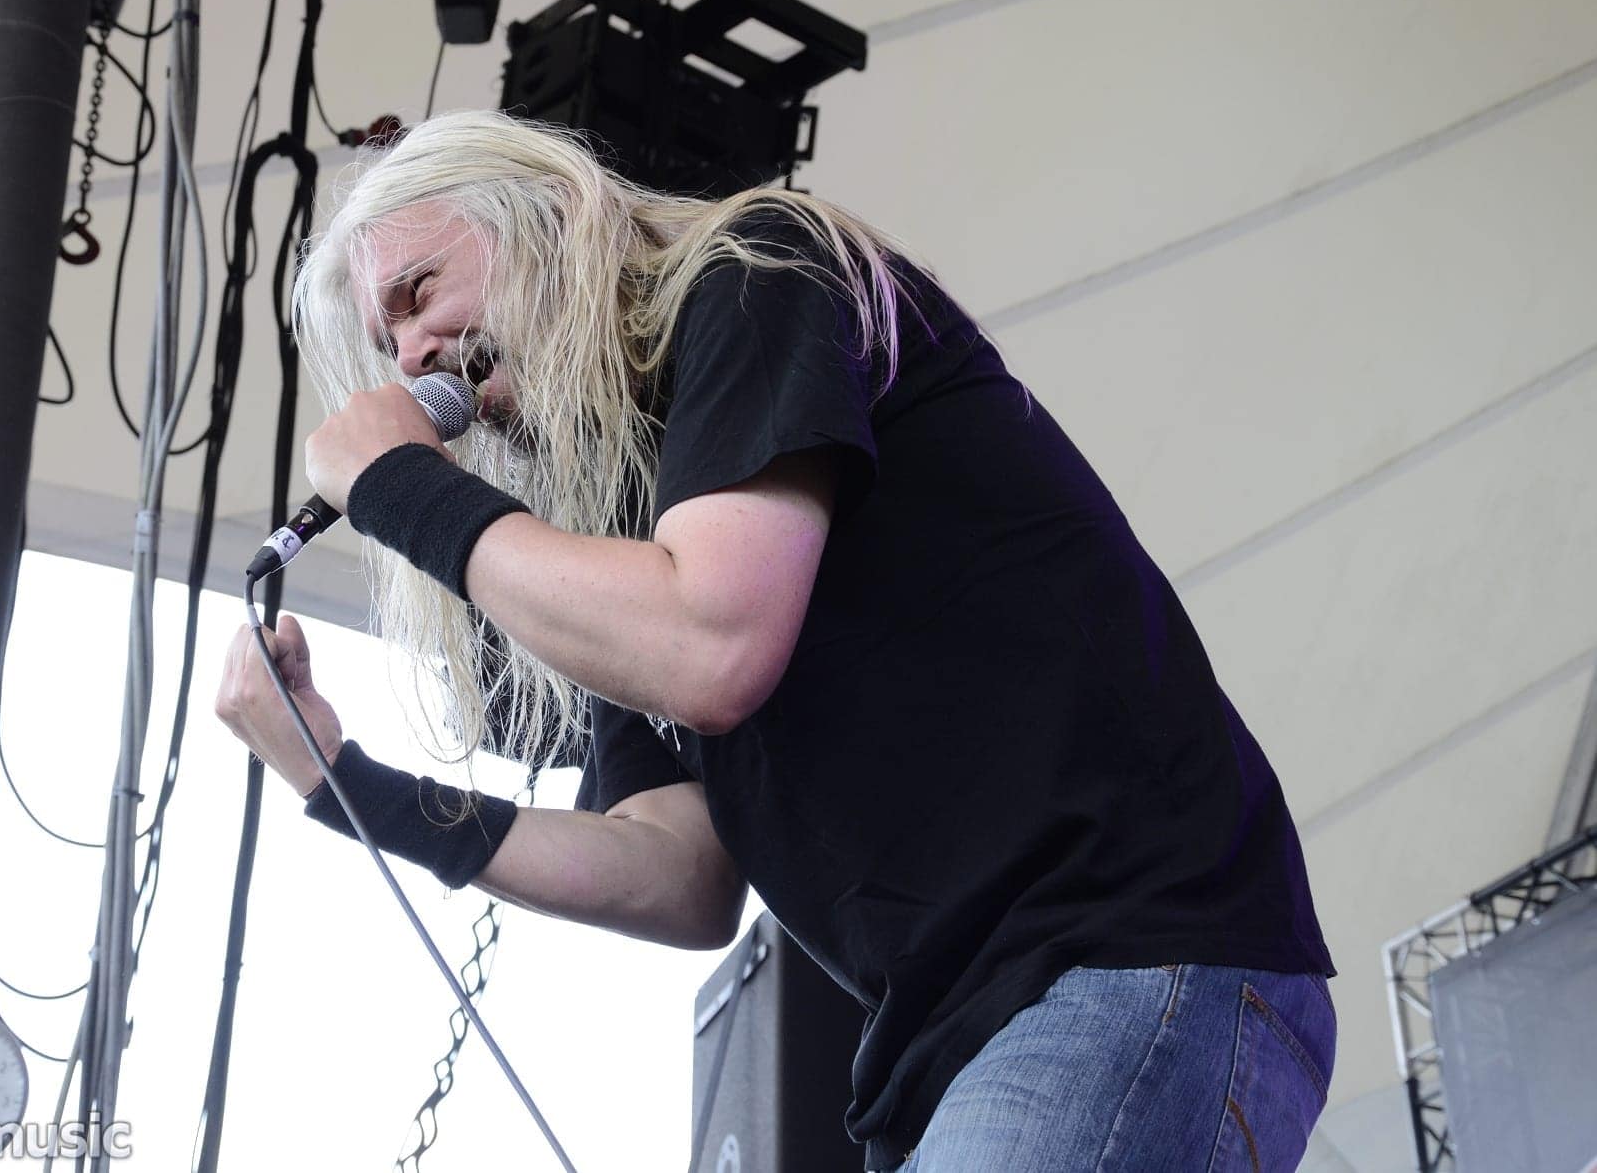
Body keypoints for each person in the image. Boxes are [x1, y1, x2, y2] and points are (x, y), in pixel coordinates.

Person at [213, 110, 1337, 1172]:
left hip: (1124, 954)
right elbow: (676, 873)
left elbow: (713, 646)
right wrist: (342, 780)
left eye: (420, 292)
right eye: (389, 341)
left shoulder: (754, 272)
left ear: (544, 213)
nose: (412, 353)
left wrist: (401, 488)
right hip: (965, 1038)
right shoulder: (623, 527)